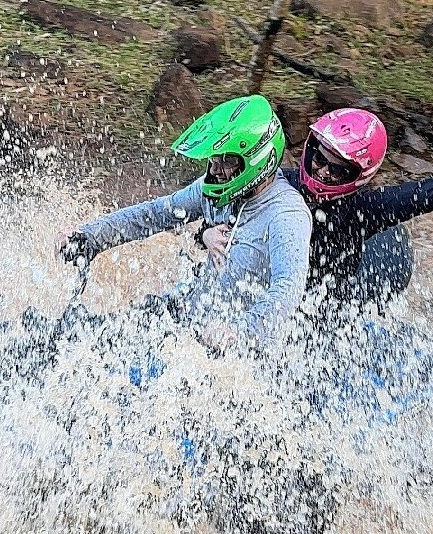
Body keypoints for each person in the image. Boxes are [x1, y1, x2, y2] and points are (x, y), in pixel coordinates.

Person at [57, 95, 312, 355]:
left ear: (258, 158)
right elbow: (156, 214)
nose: (215, 170)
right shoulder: (217, 187)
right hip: (185, 313)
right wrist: (92, 237)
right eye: (213, 159)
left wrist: (238, 332)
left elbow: (287, 289)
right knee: (82, 338)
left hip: (232, 349)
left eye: (226, 160)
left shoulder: (286, 215)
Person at [202, 108, 433, 315]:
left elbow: (402, 200)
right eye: (320, 159)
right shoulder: (279, 184)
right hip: (270, 289)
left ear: (357, 176)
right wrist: (206, 234)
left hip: (328, 304)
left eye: (337, 170)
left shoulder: (361, 209)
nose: (322, 171)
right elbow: (222, 209)